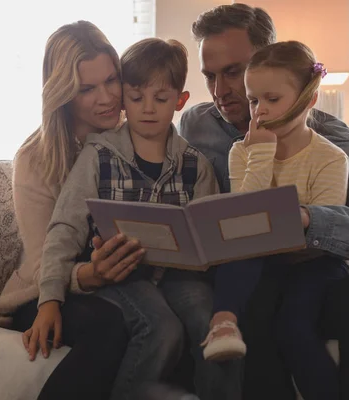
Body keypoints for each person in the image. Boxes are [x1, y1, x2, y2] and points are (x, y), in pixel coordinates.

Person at [179, 3, 349, 399]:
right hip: (244, 271)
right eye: (210, 76)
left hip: (312, 270)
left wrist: (308, 218)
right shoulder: (197, 125)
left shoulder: (339, 144)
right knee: (250, 300)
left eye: (233, 72)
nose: (221, 92)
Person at [37, 37, 239, 400]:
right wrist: (49, 297)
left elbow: (213, 236)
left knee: (209, 321)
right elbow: (64, 229)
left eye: (161, 99)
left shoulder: (196, 165)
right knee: (160, 326)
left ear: (180, 101)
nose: (148, 108)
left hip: (180, 276)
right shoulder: (99, 155)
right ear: (123, 99)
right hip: (123, 275)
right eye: (136, 97)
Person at [0, 21, 145, 400]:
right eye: (88, 89)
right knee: (111, 326)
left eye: (111, 80)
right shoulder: (37, 159)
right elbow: (44, 265)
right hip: (44, 293)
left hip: (123, 283)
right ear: (64, 93)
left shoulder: (138, 137)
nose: (107, 97)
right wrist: (91, 275)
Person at [201, 40, 349, 399]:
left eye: (272, 99)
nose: (260, 111)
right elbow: (241, 213)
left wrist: (287, 222)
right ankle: (224, 321)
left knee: (293, 326)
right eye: (254, 101)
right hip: (263, 258)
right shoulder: (242, 151)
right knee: (245, 270)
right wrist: (261, 152)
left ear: (307, 100)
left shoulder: (331, 158)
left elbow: (324, 228)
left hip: (313, 262)